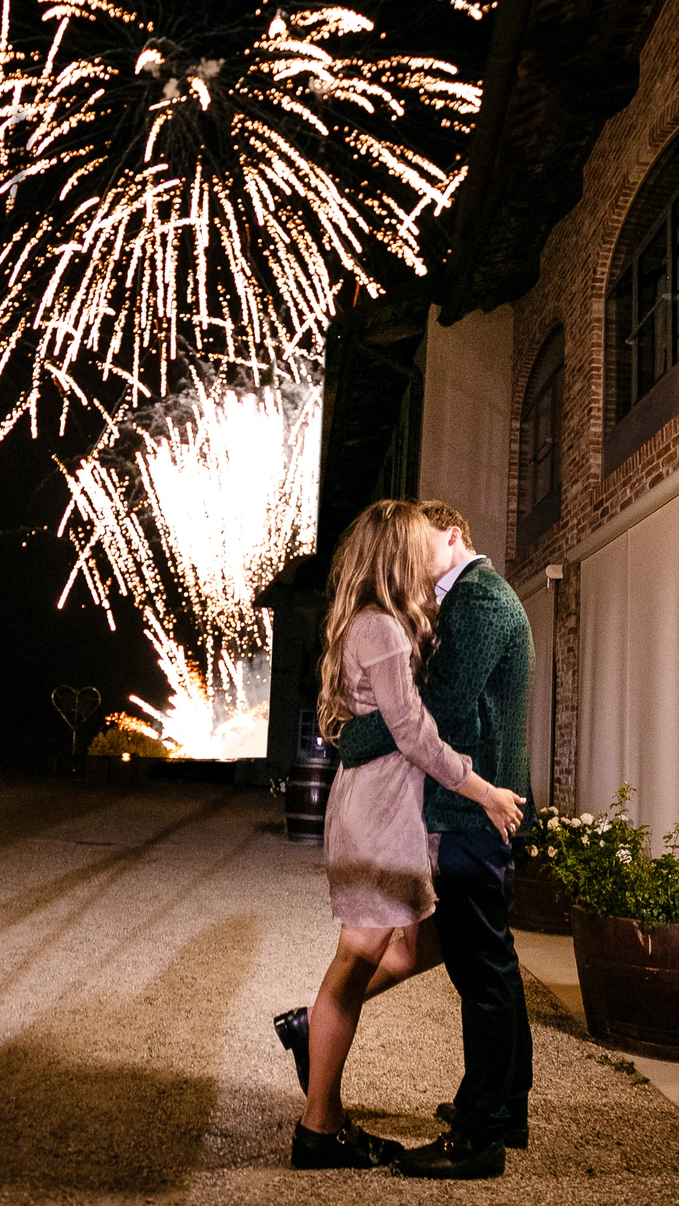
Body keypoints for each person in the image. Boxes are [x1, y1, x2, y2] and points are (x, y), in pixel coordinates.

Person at [274, 498, 525, 1173]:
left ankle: (324, 1093)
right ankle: (319, 1126)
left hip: (381, 811)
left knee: (408, 948)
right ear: (394, 554)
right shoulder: (382, 627)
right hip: (379, 816)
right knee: (353, 965)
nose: (424, 555)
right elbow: (415, 730)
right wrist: (485, 791)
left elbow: (389, 723)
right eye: (414, 544)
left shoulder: (372, 620)